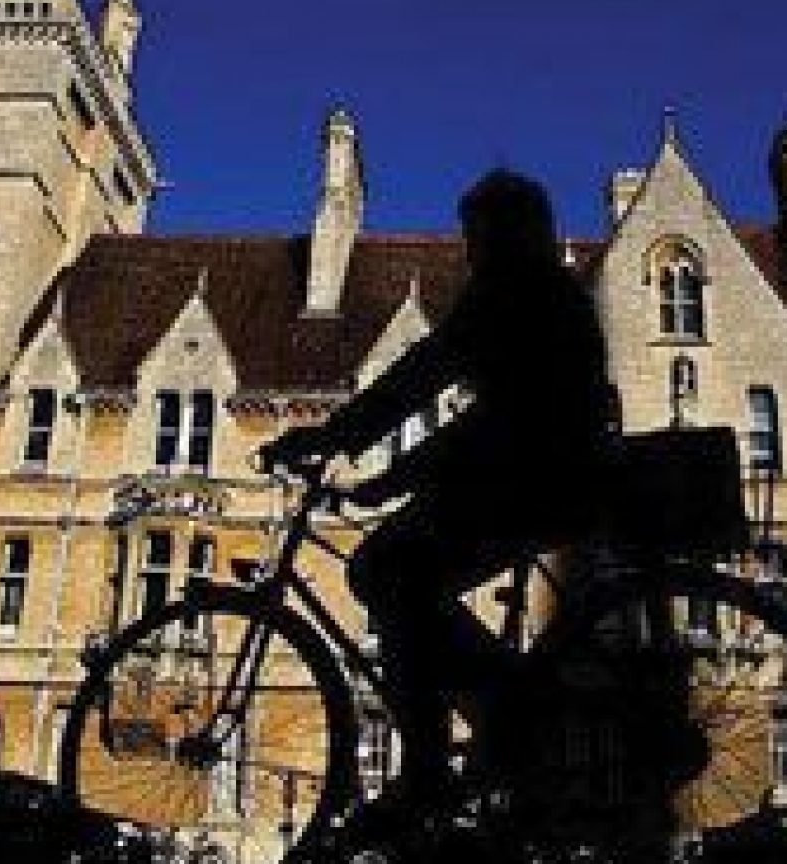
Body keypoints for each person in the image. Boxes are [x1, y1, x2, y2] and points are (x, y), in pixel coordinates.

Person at [259, 170, 614, 817]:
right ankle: (494, 719)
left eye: (475, 238)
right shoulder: (540, 292)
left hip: (540, 479)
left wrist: (347, 447)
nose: (469, 253)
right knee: (402, 573)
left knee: (386, 569)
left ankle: (443, 760)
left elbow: (432, 381)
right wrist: (373, 468)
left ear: (505, 237)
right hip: (542, 475)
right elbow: (455, 402)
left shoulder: (517, 295)